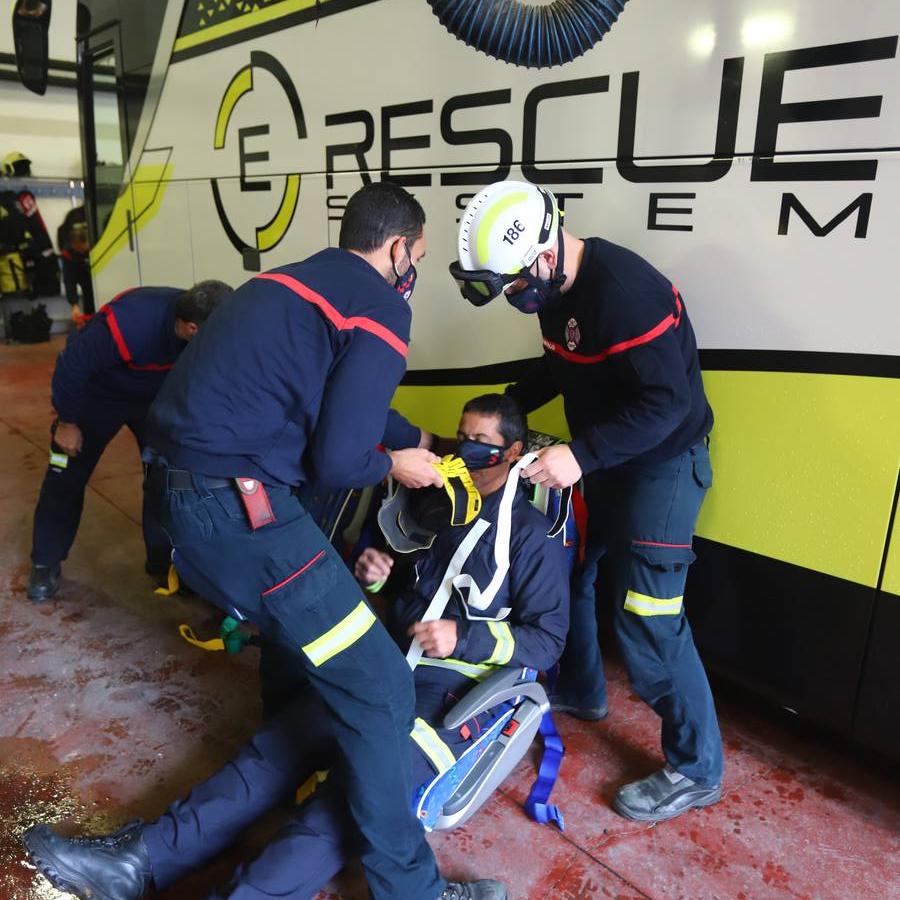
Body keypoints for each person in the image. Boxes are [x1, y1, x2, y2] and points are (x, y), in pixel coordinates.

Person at [23, 393, 566, 900]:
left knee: (349, 805)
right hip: (386, 664)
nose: (464, 456)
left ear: (513, 453)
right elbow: (405, 588)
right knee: (275, 749)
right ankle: (140, 862)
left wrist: (462, 636)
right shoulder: (435, 504)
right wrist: (377, 576)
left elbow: (547, 641)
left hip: (451, 694)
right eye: (460, 440)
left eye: (480, 447)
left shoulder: (532, 538)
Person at [139, 182, 503, 900]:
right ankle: (412, 892)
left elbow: (345, 400)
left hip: (181, 502)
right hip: (242, 511)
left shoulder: (287, 283)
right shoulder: (381, 308)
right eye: (418, 256)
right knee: (379, 687)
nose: (414, 271)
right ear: (399, 247)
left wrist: (425, 441)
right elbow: (341, 459)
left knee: (315, 662)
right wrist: (399, 465)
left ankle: (148, 859)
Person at [449, 180, 723, 823]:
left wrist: (580, 455)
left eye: (515, 286)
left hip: (662, 466)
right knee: (568, 573)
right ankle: (581, 689)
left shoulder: (628, 293)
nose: (517, 299)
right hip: (606, 458)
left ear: (544, 256)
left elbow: (669, 405)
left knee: (650, 617)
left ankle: (697, 767)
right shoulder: (554, 292)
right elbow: (564, 362)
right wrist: (506, 411)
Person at [26, 280, 231, 602]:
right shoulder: (130, 323)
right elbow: (72, 365)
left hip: (153, 397)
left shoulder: (203, 326)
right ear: (192, 328)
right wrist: (68, 421)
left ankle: (164, 561)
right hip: (98, 394)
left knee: (164, 478)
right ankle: (45, 561)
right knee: (65, 472)